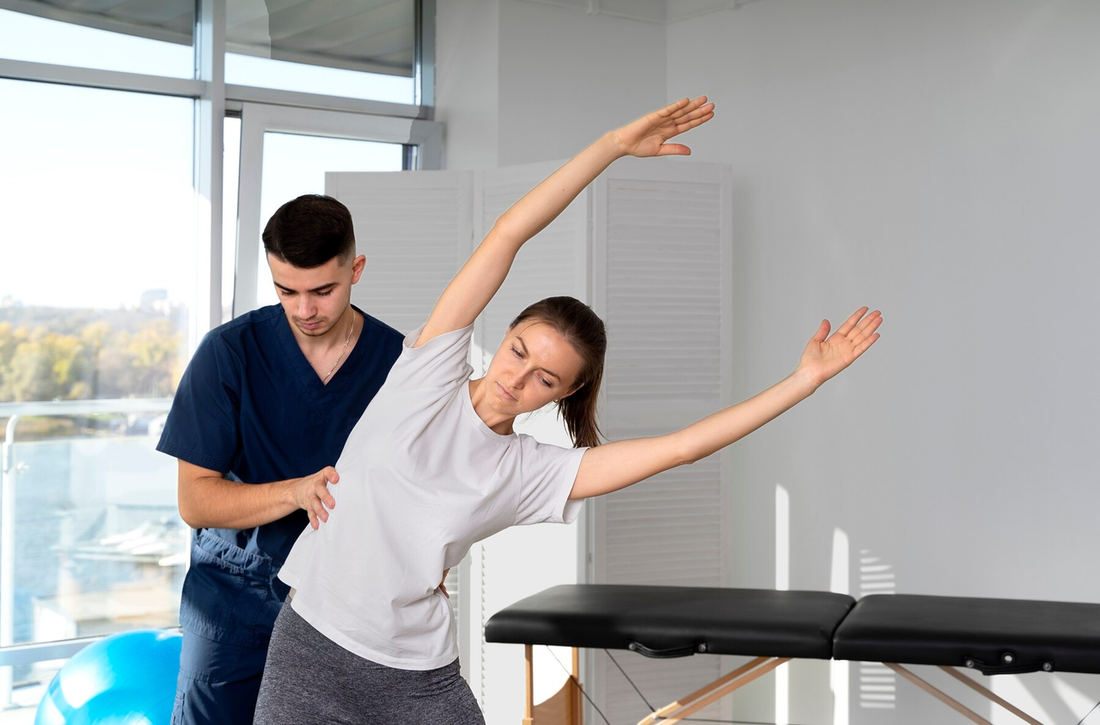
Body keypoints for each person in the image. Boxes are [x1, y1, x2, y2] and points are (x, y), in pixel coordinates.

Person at [252, 96, 882, 724]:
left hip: (416, 677)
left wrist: (803, 381)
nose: (516, 377)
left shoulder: (531, 471)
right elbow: (509, 232)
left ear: (561, 395)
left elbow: (683, 447)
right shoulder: (428, 372)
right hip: (310, 646)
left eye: (544, 378)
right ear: (504, 335)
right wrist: (610, 146)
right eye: (518, 351)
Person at [156, 194, 405, 724]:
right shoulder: (227, 353)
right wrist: (294, 491)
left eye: (323, 291)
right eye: (285, 290)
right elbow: (195, 500)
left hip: (345, 606)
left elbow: (414, 487)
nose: (304, 310)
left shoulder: (396, 362)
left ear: (355, 270)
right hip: (233, 602)